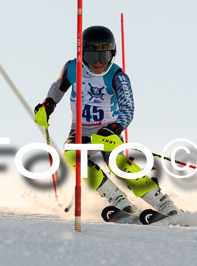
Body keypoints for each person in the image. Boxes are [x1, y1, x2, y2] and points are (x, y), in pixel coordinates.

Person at [33, 25, 180, 216]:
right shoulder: (72, 68)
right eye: (92, 57)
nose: (98, 63)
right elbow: (57, 88)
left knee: (117, 162)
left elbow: (128, 109)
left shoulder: (117, 76)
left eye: (105, 56)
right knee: (72, 154)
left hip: (107, 129)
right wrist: (47, 105)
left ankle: (163, 203)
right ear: (82, 54)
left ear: (113, 54)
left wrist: (113, 129)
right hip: (81, 131)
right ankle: (118, 200)